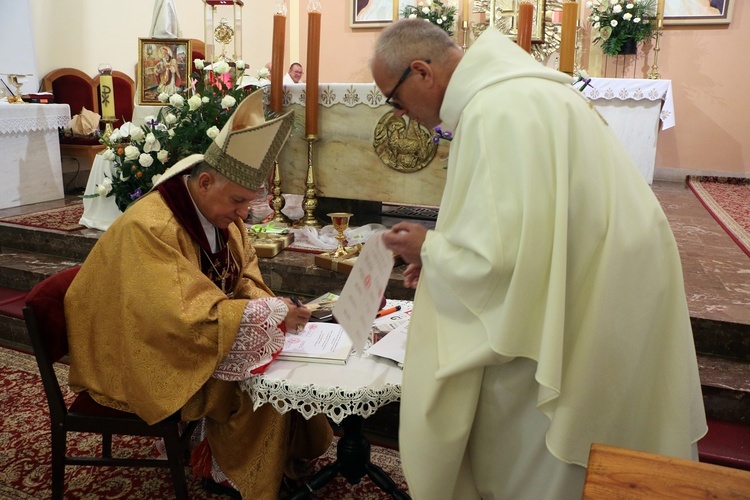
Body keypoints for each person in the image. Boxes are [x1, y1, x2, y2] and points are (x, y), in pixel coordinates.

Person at [371, 19, 707, 499]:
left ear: (422, 72)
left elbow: (501, 262)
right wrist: (445, 253)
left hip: (586, 291)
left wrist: (431, 248)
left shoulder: (495, 110)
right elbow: (527, 227)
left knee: (537, 440)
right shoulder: (526, 93)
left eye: (395, 100)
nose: (400, 115)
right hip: (614, 275)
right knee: (610, 429)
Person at [65, 90, 333, 499]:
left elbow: (243, 277)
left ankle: (271, 458)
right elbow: (178, 317)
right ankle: (233, 473)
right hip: (135, 347)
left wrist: (271, 310)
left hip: (176, 333)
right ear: (205, 181)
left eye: (250, 201)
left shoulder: (220, 214)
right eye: (239, 200)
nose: (245, 213)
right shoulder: (151, 228)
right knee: (261, 385)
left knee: (284, 370)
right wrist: (265, 313)